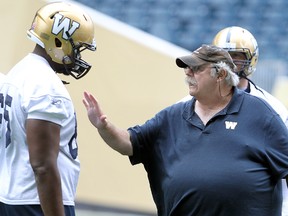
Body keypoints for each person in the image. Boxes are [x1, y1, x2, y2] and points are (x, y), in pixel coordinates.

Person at [83, 44, 288, 215]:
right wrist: (105, 126)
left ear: (221, 74)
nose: (188, 72)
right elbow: (129, 143)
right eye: (187, 67)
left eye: (196, 68)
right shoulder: (172, 116)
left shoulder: (260, 113)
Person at [0, 2, 96, 216]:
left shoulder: (20, 72)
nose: (78, 56)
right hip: (36, 202)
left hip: (13, 196)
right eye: (78, 48)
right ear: (58, 41)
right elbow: (42, 166)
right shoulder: (45, 86)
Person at [180, 26, 288, 215]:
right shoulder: (186, 106)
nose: (230, 63)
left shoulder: (273, 108)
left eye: (237, 56)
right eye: (224, 56)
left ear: (250, 60)